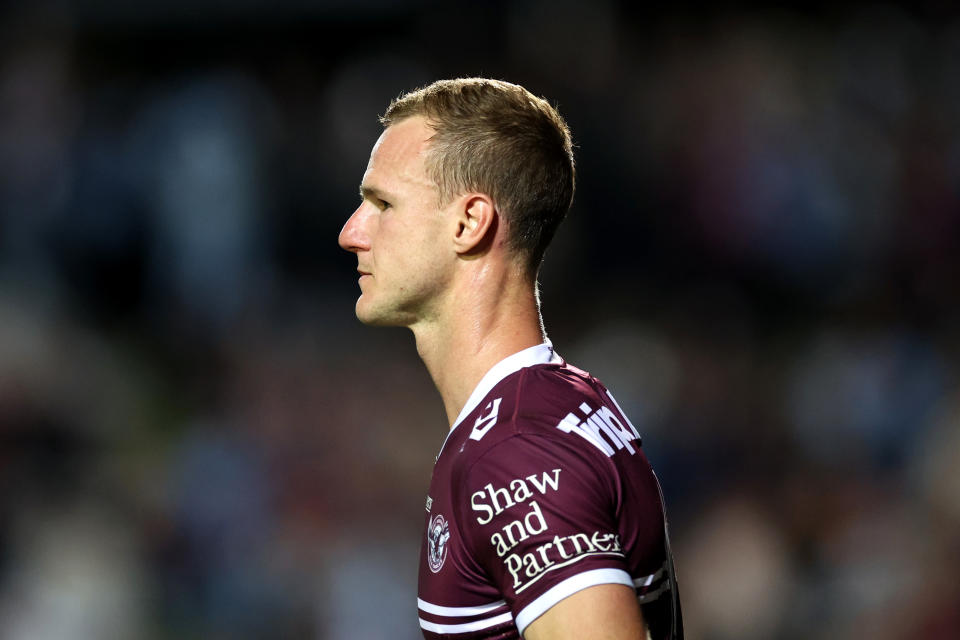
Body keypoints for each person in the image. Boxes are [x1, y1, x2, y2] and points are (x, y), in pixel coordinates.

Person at [338, 78, 682, 640]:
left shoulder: (517, 456)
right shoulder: (560, 400)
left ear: (469, 223)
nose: (351, 232)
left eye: (382, 203)